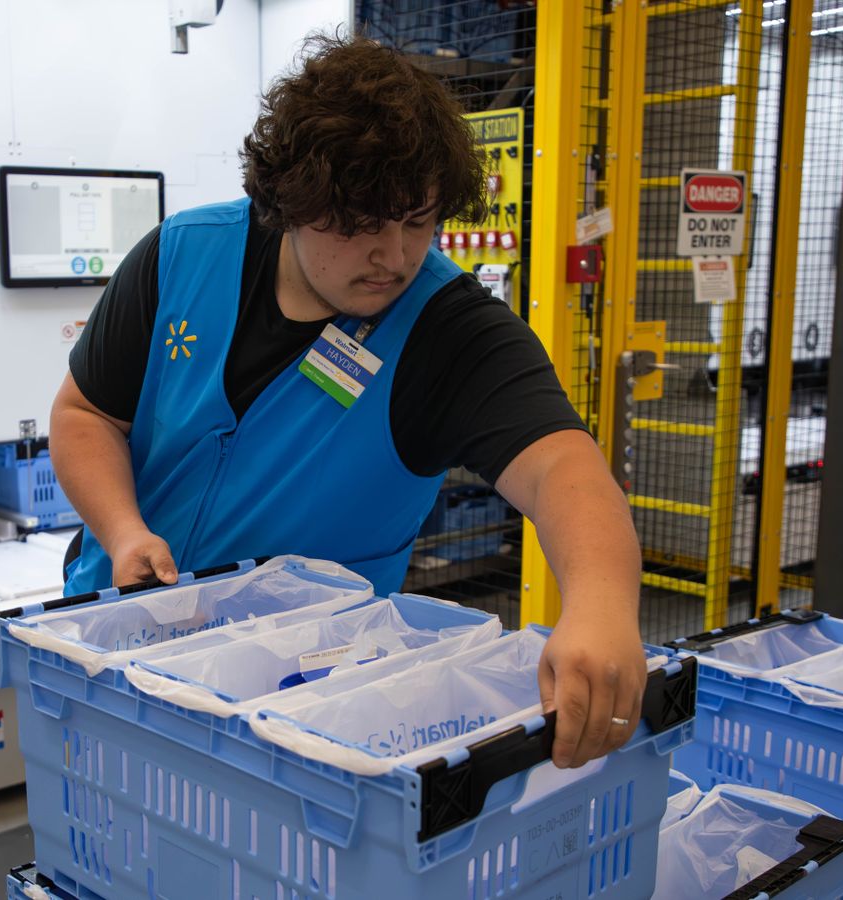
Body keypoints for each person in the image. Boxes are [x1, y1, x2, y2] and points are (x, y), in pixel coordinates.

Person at [50, 35, 644, 770]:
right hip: (116, 655)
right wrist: (123, 532)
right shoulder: (183, 255)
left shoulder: (447, 330)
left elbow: (564, 468)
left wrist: (602, 605)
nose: (394, 256)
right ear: (289, 203)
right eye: (362, 224)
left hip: (303, 711)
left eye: (419, 221)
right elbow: (86, 415)